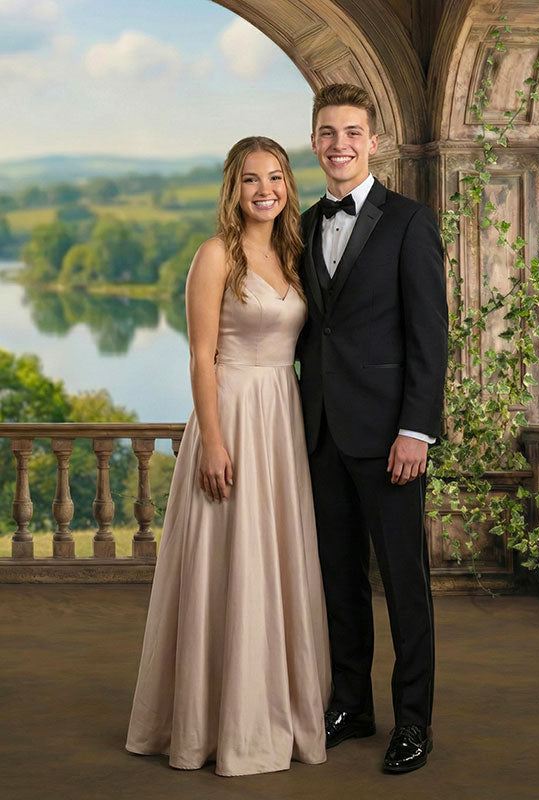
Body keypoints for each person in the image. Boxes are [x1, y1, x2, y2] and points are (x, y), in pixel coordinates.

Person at [126, 136, 331, 777]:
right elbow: (200, 356)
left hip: (282, 418)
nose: (264, 189)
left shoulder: (296, 255)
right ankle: (213, 722)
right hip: (234, 413)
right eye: (250, 180)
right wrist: (212, 441)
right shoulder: (216, 255)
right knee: (227, 561)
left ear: (288, 187)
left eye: (275, 177)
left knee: (275, 560)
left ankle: (275, 707)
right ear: (232, 189)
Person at [297, 84, 448, 774]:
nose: (339, 145)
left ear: (374, 141)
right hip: (321, 434)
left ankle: (412, 722)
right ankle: (350, 706)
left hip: (391, 440)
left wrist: (416, 430)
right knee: (339, 582)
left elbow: (429, 338)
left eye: (352, 133)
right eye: (328, 133)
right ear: (314, 141)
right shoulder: (300, 224)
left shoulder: (410, 222)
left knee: (405, 585)